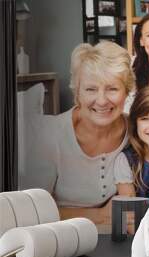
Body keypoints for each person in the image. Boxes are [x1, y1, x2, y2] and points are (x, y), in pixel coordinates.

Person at [28, 41, 134, 227]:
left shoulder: (136, 132)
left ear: (127, 91)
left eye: (112, 89)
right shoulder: (50, 135)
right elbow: (30, 210)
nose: (101, 101)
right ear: (77, 93)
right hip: (59, 237)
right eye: (91, 89)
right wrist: (101, 215)